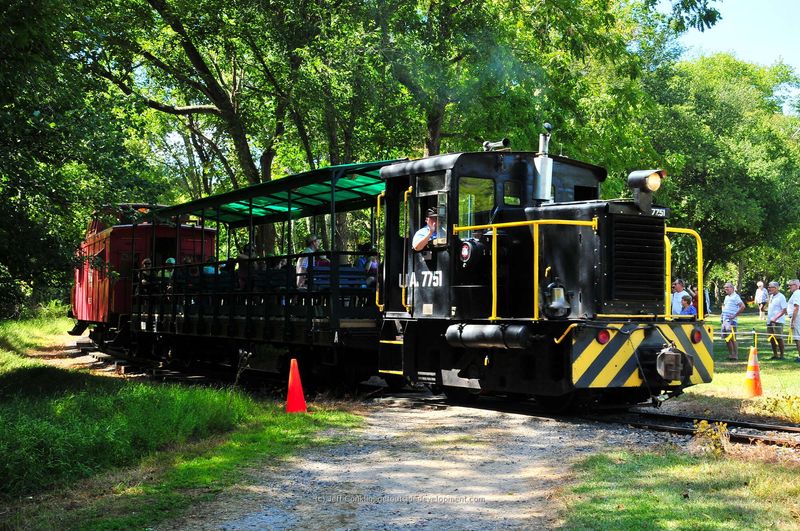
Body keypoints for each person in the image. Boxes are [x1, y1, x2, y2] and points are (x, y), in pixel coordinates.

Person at [720, 282, 745, 360]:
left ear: (732, 288)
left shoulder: (736, 297)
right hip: (724, 320)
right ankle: (731, 354)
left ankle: (735, 355)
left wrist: (734, 315)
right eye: (725, 287)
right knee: (727, 339)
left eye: (727, 287)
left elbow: (742, 306)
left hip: (731, 321)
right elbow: (724, 306)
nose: (725, 289)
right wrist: (722, 315)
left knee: (732, 338)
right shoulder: (727, 297)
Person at [766, 281, 787, 360]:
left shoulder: (781, 297)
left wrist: (775, 318)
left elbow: (784, 310)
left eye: (771, 287)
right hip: (770, 321)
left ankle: (782, 355)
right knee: (771, 338)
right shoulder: (771, 296)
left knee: (779, 338)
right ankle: (775, 355)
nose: (769, 289)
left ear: (776, 288)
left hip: (778, 321)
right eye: (769, 287)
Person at [786, 279, 800, 361]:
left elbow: (796, 307)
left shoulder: (797, 293)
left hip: (797, 317)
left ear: (797, 285)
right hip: (796, 317)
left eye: (791, 285)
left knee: (797, 338)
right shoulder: (796, 293)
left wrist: (793, 321)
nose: (789, 287)